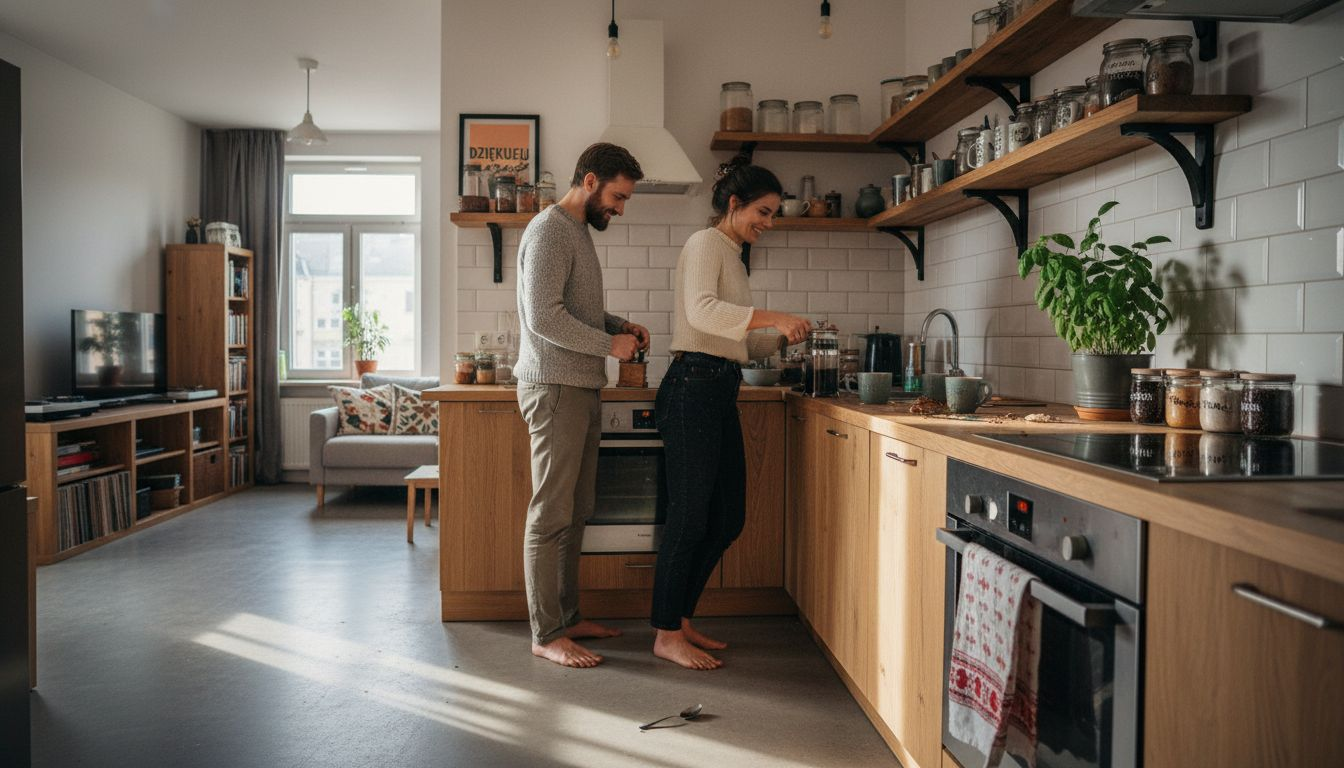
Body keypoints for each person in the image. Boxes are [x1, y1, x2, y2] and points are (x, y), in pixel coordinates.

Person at [650, 157, 811, 670]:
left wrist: (784, 337)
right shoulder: (705, 243)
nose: (769, 222)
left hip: (717, 385)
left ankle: (681, 619)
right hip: (692, 386)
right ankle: (665, 633)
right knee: (689, 517)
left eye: (774, 214)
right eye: (763, 212)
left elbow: (735, 340)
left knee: (727, 518)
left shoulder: (735, 257)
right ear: (735, 204)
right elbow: (702, 312)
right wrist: (775, 316)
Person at [514, 143, 651, 668]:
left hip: (579, 386)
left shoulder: (575, 232)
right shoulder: (550, 230)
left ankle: (567, 618)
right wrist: (608, 344)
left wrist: (618, 325)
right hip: (554, 388)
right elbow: (543, 316)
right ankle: (546, 633)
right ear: (590, 181)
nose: (620, 208)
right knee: (550, 514)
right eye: (618, 196)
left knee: (575, 511)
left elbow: (574, 309)